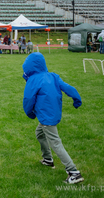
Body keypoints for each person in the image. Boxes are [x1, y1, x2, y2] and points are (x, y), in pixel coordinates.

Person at [22, 52, 83, 184]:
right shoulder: (53, 76)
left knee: (55, 142)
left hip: (46, 116)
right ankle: (48, 159)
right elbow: (68, 87)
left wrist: (29, 113)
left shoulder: (34, 80)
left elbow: (28, 99)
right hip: (53, 114)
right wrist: (76, 98)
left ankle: (73, 172)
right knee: (39, 133)